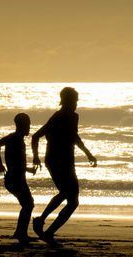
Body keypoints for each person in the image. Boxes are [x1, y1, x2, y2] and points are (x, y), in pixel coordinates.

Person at [31, 87, 97, 246]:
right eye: (75, 100)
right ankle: (46, 229)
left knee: (68, 197)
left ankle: (42, 222)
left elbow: (73, 137)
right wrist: (35, 157)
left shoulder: (67, 116)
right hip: (58, 161)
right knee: (71, 199)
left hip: (63, 161)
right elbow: (37, 136)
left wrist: (88, 153)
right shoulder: (62, 116)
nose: (77, 103)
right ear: (67, 101)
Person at [0, 113, 37, 245]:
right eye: (28, 124)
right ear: (21, 125)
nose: (29, 127)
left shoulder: (17, 138)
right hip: (14, 179)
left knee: (28, 204)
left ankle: (20, 232)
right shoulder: (14, 138)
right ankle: (20, 233)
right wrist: (0, 164)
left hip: (16, 177)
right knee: (28, 204)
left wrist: (28, 169)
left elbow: (16, 162)